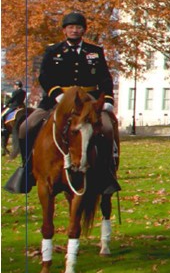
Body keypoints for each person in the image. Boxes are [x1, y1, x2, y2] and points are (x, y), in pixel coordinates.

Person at [6, 12, 119, 195]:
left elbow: (105, 78)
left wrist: (107, 100)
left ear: (83, 30)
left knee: (106, 128)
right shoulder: (53, 50)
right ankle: (27, 169)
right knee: (27, 126)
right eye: (71, 27)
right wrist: (57, 94)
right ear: (65, 30)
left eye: (78, 27)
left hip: (88, 100)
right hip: (56, 99)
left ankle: (105, 174)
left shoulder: (95, 52)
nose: (74, 30)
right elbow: (44, 76)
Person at [2, 81, 28, 155]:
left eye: (15, 85)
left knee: (2, 116)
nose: (14, 87)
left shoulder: (16, 92)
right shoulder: (24, 92)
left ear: (17, 86)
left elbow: (12, 99)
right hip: (22, 106)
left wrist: (6, 103)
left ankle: (3, 128)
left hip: (14, 106)